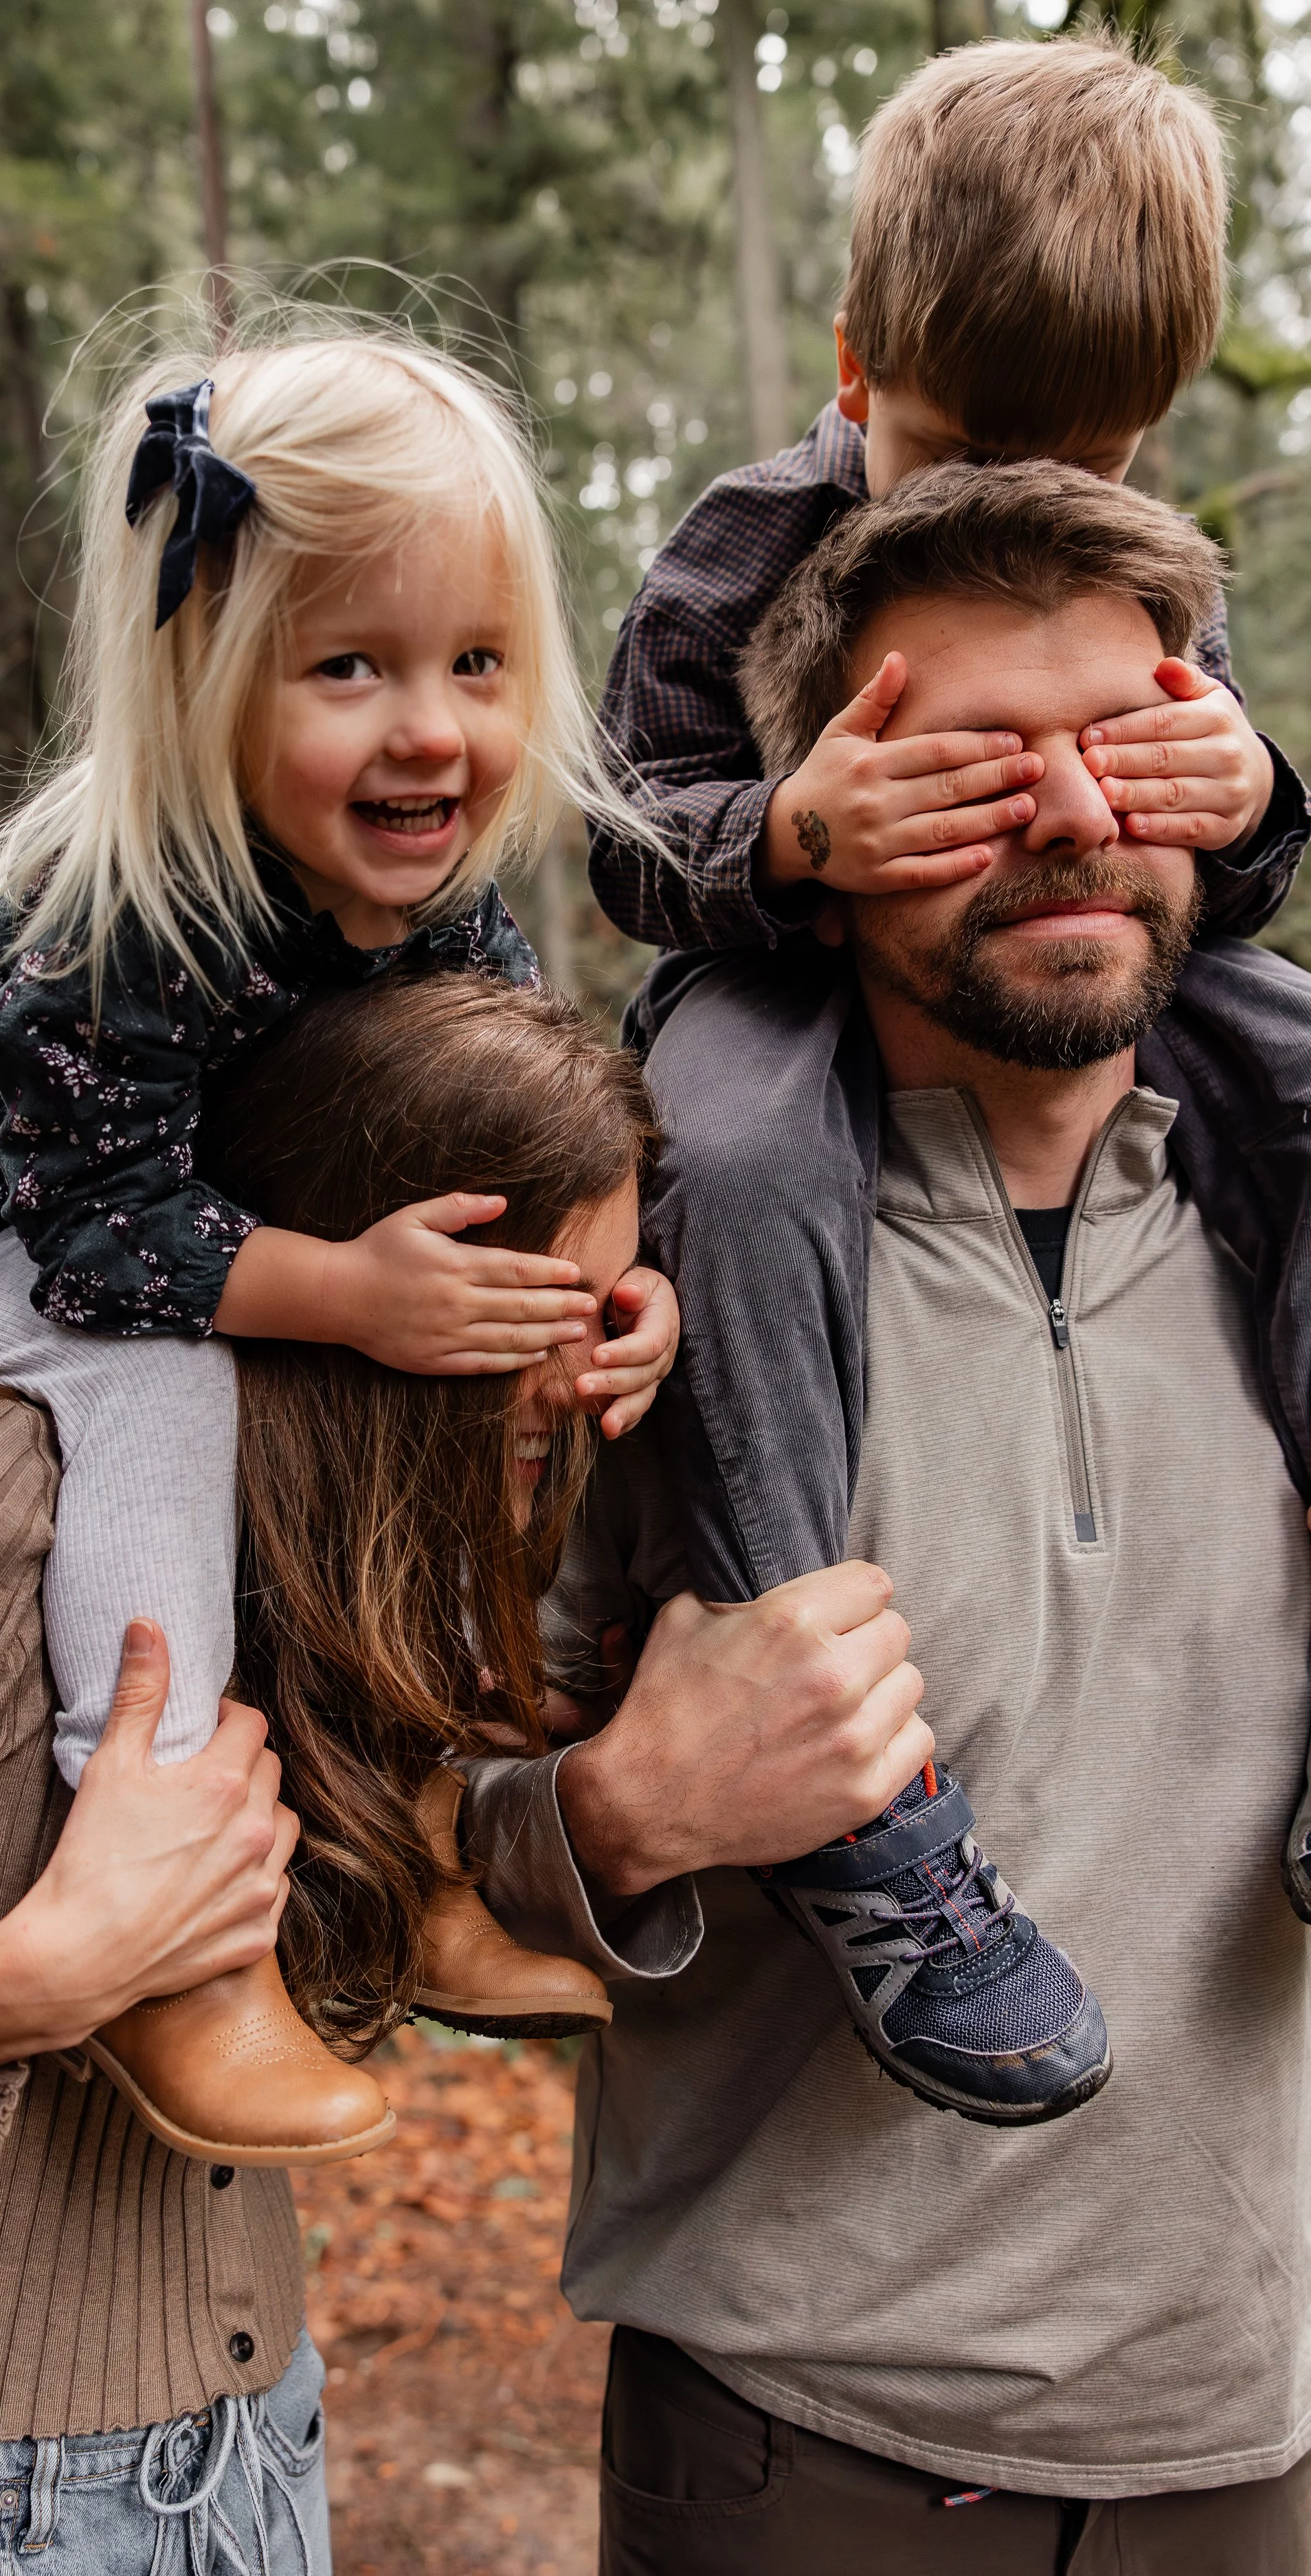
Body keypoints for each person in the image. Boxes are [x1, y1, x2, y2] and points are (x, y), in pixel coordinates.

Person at [0, 973, 928, 2573]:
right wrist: (13, 1989)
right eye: (518, 1314)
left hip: (233, 2461)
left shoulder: (298, 1535)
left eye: (603, 1306)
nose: (567, 1382)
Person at [456, 464, 1311, 2570]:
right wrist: (621, 1807)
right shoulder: (616, 1275)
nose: (1067, 817)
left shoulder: (1283, 1223)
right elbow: (359, 1838)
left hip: (1253, 2441)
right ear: (810, 832)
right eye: (961, 762)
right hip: (799, 2449)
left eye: (1121, 745)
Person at [0, 326, 682, 2167]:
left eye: (473, 663)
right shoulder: (119, 909)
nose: (427, 725)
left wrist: (605, 1303)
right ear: (196, 677)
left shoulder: (449, 920)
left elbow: (503, 1170)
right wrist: (348, 1287)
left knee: (407, 1388)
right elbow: (103, 1231)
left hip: (221, 1243)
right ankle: (166, 1919)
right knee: (168, 1388)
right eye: (345, 666)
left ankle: (405, 1838)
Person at [583, 30, 1311, 2116]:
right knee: (720, 1149)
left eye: (1070, 464)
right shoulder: (746, 544)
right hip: (789, 978)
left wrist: (1247, 795)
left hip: (1107, 999)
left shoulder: (1144, 558)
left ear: (1141, 432)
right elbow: (631, 839)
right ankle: (844, 1774)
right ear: (849, 362)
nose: (1008, 502)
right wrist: (795, 833)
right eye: (943, 453)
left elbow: (1219, 885)